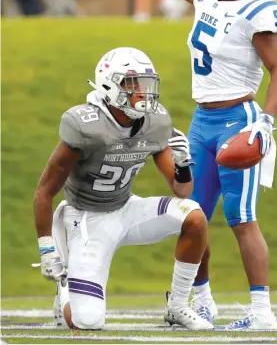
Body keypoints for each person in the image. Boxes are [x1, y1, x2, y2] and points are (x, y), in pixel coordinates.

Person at [154, 0, 277, 331]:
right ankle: (203, 301)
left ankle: (262, 311)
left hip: (238, 119)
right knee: (192, 214)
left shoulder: (258, 11)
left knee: (241, 217)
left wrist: (266, 120)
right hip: (201, 120)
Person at [33, 47, 214, 331]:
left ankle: (178, 305)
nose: (143, 93)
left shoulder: (154, 122)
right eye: (133, 85)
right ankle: (66, 291)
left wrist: (183, 165)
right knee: (87, 322)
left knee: (194, 216)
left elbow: (182, 191)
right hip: (86, 219)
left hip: (126, 208)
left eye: (145, 84)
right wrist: (46, 249)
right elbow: (44, 191)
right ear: (109, 84)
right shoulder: (85, 125)